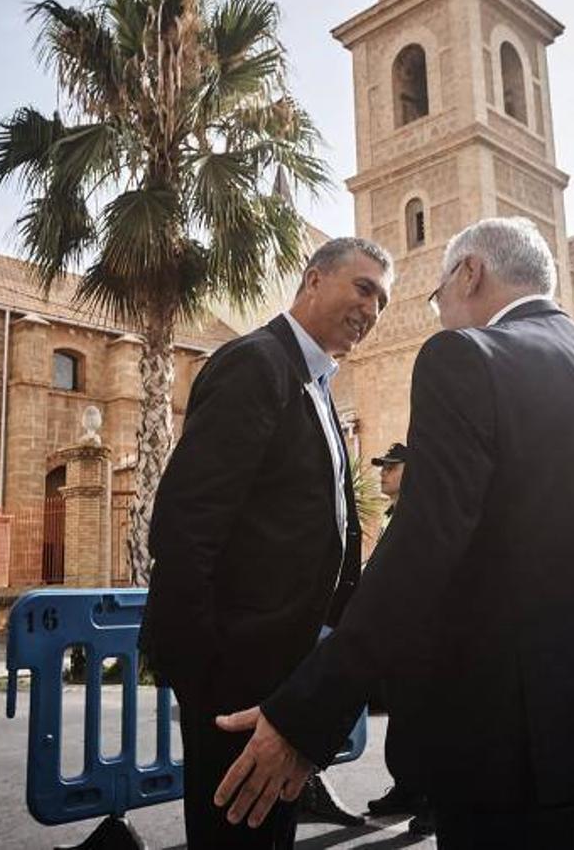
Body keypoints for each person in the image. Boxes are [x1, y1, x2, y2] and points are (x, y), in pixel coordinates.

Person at [212, 217, 574, 849]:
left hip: (512, 749)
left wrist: (308, 714)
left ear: (469, 273)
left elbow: (422, 551)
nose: (439, 317)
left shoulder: (466, 357)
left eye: (437, 299)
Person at [138, 237, 393, 848]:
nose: (372, 310)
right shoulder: (257, 362)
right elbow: (187, 520)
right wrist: (209, 671)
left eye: (382, 301)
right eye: (363, 288)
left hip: (287, 673)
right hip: (236, 675)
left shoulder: (319, 383)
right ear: (311, 280)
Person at [362, 442, 435, 837]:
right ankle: (407, 789)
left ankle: (433, 800)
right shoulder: (394, 514)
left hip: (423, 635)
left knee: (427, 722)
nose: (382, 472)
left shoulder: (424, 511)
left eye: (391, 466)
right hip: (399, 635)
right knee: (402, 719)